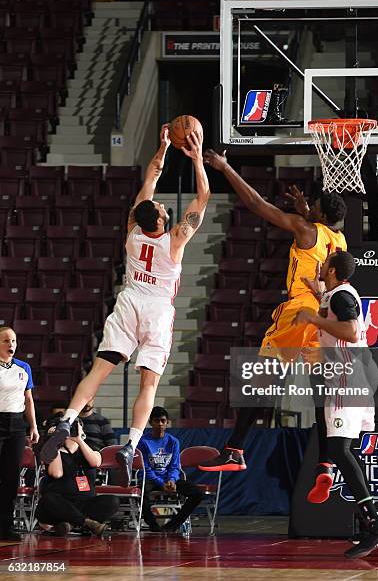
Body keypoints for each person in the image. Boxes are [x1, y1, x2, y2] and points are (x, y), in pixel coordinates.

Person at [41, 126, 210, 488]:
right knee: (149, 383)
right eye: (164, 209)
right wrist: (196, 158)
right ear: (162, 221)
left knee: (98, 371)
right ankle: (132, 444)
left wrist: (162, 147)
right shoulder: (175, 241)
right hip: (157, 310)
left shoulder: (133, 229)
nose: (163, 206)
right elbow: (204, 196)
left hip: (129, 300)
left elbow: (150, 176)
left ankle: (68, 420)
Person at [200, 149, 347, 473]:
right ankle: (327, 463)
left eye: (314, 206)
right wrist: (307, 209)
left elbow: (256, 204)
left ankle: (235, 449)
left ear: (318, 214)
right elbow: (318, 226)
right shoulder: (340, 239)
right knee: (320, 394)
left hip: (299, 312)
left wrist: (226, 167)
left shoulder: (305, 229)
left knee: (263, 382)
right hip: (323, 319)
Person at [292, 251, 378, 559]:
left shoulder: (341, 296)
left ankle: (376, 522)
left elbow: (350, 331)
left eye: (326, 265)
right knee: (339, 447)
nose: (321, 265)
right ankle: (370, 522)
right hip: (354, 376)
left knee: (338, 449)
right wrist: (318, 293)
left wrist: (312, 316)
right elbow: (339, 319)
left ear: (334, 270)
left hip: (347, 380)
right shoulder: (335, 294)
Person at [36, 416, 119, 537]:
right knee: (48, 498)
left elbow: (95, 462)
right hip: (60, 504)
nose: (70, 430)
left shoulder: (90, 446)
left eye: (74, 426)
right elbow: (56, 473)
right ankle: (86, 523)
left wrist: (79, 440)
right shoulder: (52, 450)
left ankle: (71, 525)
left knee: (113, 501)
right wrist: (55, 442)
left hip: (85, 503)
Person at [0, 326, 39, 541]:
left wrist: (32, 426)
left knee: (11, 477)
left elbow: (29, 399)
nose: (11, 345)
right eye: (6, 340)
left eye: (13, 340)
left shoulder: (24, 367)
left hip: (16, 425)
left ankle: (6, 526)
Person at [138, 407, 202, 533]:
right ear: (150, 422)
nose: (160, 424)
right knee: (139, 493)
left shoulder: (173, 442)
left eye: (163, 421)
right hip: (150, 479)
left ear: (167, 422)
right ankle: (153, 525)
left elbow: (174, 466)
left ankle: (173, 525)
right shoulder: (143, 441)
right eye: (157, 421)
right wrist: (161, 484)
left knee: (197, 494)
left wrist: (172, 480)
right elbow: (145, 468)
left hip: (169, 480)